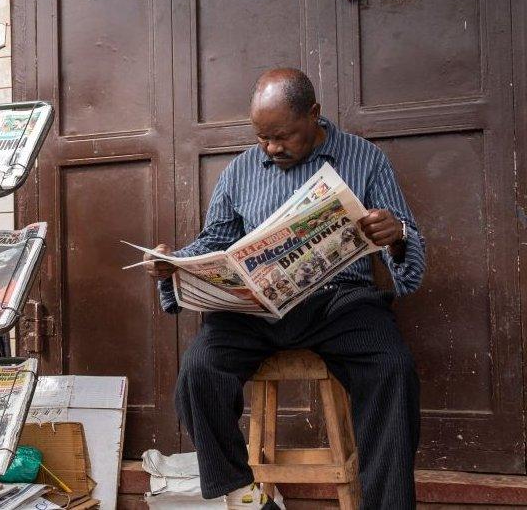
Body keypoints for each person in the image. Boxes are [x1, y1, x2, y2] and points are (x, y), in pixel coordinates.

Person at [143, 68, 425, 510]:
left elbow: (406, 245)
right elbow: (216, 240)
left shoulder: (366, 159)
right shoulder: (239, 171)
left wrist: (398, 234)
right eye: (262, 138)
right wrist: (175, 264)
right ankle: (245, 495)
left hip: (339, 301)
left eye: (283, 136)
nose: (272, 148)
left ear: (313, 115)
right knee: (199, 373)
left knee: (393, 368)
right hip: (256, 308)